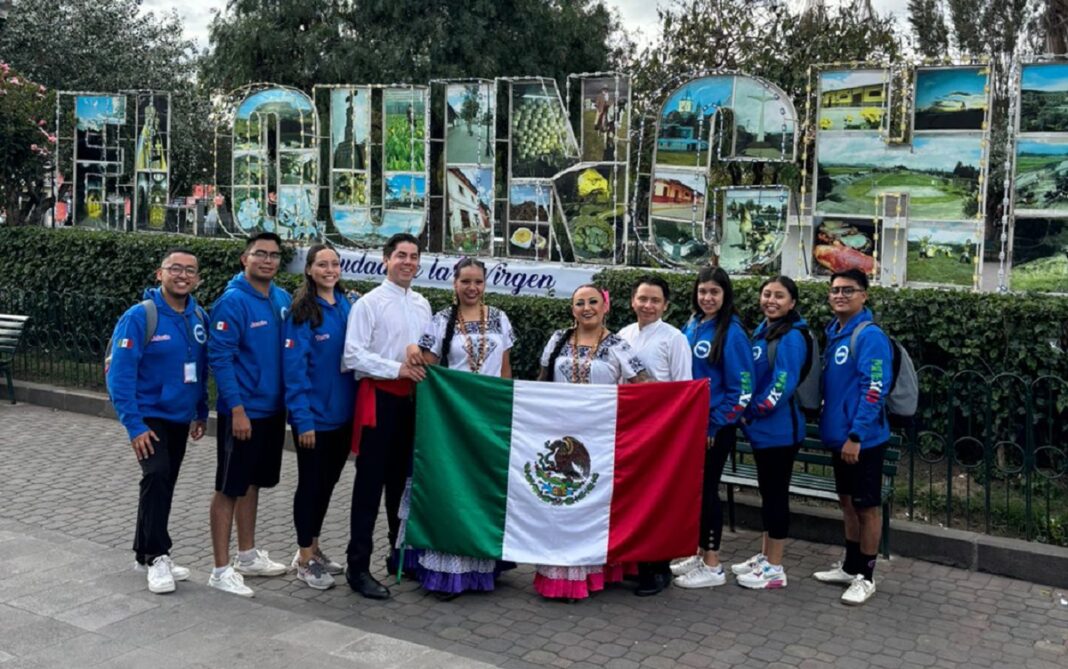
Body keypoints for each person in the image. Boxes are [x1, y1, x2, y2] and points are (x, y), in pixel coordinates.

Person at [535, 284, 650, 600]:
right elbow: (542, 383)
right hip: (560, 435)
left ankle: (592, 574)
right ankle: (559, 575)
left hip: (600, 440)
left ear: (605, 307)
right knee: (561, 503)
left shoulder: (619, 347)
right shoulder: (558, 340)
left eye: (593, 302)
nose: (587, 308)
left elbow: (644, 386)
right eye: (579, 303)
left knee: (591, 506)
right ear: (572, 309)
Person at [106, 248, 208, 594]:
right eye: (175, 268)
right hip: (149, 416)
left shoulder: (198, 317)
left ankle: (141, 552)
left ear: (197, 278)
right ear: (159, 274)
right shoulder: (140, 316)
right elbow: (119, 374)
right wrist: (134, 425)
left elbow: (200, 370)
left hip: (180, 417)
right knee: (157, 474)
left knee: (161, 483)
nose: (182, 275)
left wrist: (200, 411)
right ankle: (157, 556)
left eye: (190, 271)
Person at [414, 257, 515, 599]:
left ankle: (484, 564)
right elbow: (430, 373)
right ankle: (447, 569)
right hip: (454, 416)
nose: (472, 288)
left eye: (478, 282)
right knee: (454, 488)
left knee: (483, 486)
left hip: (489, 414)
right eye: (465, 281)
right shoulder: (441, 320)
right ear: (454, 284)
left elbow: (504, 369)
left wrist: (505, 410)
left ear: (485, 285)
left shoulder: (500, 318)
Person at [342, 232, 431, 600]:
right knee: (369, 485)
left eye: (413, 256)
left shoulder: (424, 304)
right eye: (400, 256)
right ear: (385, 259)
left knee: (403, 483)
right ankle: (357, 567)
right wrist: (397, 368)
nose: (407, 262)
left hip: (412, 403)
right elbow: (353, 356)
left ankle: (400, 554)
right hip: (380, 398)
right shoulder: (369, 304)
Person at [207, 232, 292, 597]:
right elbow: (220, 359)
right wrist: (237, 410)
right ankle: (220, 568)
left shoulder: (282, 298)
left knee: (252, 483)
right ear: (245, 259)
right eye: (260, 254)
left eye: (274, 255)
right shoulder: (232, 303)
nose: (268, 260)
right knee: (229, 487)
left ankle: (247, 555)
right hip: (242, 413)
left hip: (272, 411)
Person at [813, 268, 893, 606]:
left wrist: (857, 434)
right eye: (835, 290)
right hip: (839, 439)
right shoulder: (835, 333)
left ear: (864, 295)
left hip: (863, 441)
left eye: (849, 290)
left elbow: (874, 388)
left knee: (866, 508)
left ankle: (867, 576)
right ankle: (850, 566)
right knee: (847, 503)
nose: (840, 295)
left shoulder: (869, 336)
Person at [672, 267, 753, 589]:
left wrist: (715, 424)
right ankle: (697, 552)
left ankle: (713, 563)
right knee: (693, 492)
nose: (707, 297)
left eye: (714, 292)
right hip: (689, 426)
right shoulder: (693, 324)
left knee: (707, 492)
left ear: (725, 295)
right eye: (703, 291)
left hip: (713, 430)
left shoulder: (731, 332)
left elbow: (742, 389)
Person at [282, 245, 357, 590]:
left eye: (335, 264)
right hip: (313, 420)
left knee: (327, 485)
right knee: (310, 486)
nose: (330, 269)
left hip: (343, 417)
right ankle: (304, 557)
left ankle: (314, 545)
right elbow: (294, 371)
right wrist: (303, 419)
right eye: (322, 264)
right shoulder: (302, 312)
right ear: (309, 270)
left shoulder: (347, 304)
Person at [732, 276, 811, 590]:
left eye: (779, 296)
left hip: (780, 432)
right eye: (767, 294)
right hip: (763, 431)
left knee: (776, 496)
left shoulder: (791, 336)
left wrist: (751, 411)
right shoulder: (764, 331)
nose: (771, 300)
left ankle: (775, 568)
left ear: (792, 303)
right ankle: (766, 556)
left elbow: (782, 383)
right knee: (768, 494)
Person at [617, 275, 692, 597]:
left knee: (656, 498)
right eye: (642, 299)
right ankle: (635, 563)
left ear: (665, 305)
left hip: (660, 428)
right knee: (632, 496)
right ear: (633, 301)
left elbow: (683, 387)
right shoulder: (622, 335)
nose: (647, 305)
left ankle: (658, 568)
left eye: (655, 301)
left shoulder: (674, 338)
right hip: (627, 425)